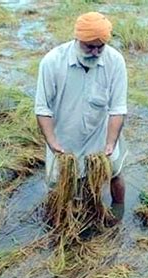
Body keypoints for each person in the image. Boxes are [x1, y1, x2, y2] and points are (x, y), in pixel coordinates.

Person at [34, 12, 128, 217]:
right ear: (77, 39)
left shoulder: (115, 61)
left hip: (102, 136)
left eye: (100, 47)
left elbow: (118, 108)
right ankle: (58, 223)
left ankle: (118, 216)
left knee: (115, 174)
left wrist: (111, 142)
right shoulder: (52, 62)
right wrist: (52, 142)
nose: (95, 52)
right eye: (89, 47)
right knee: (59, 185)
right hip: (64, 139)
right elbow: (42, 108)